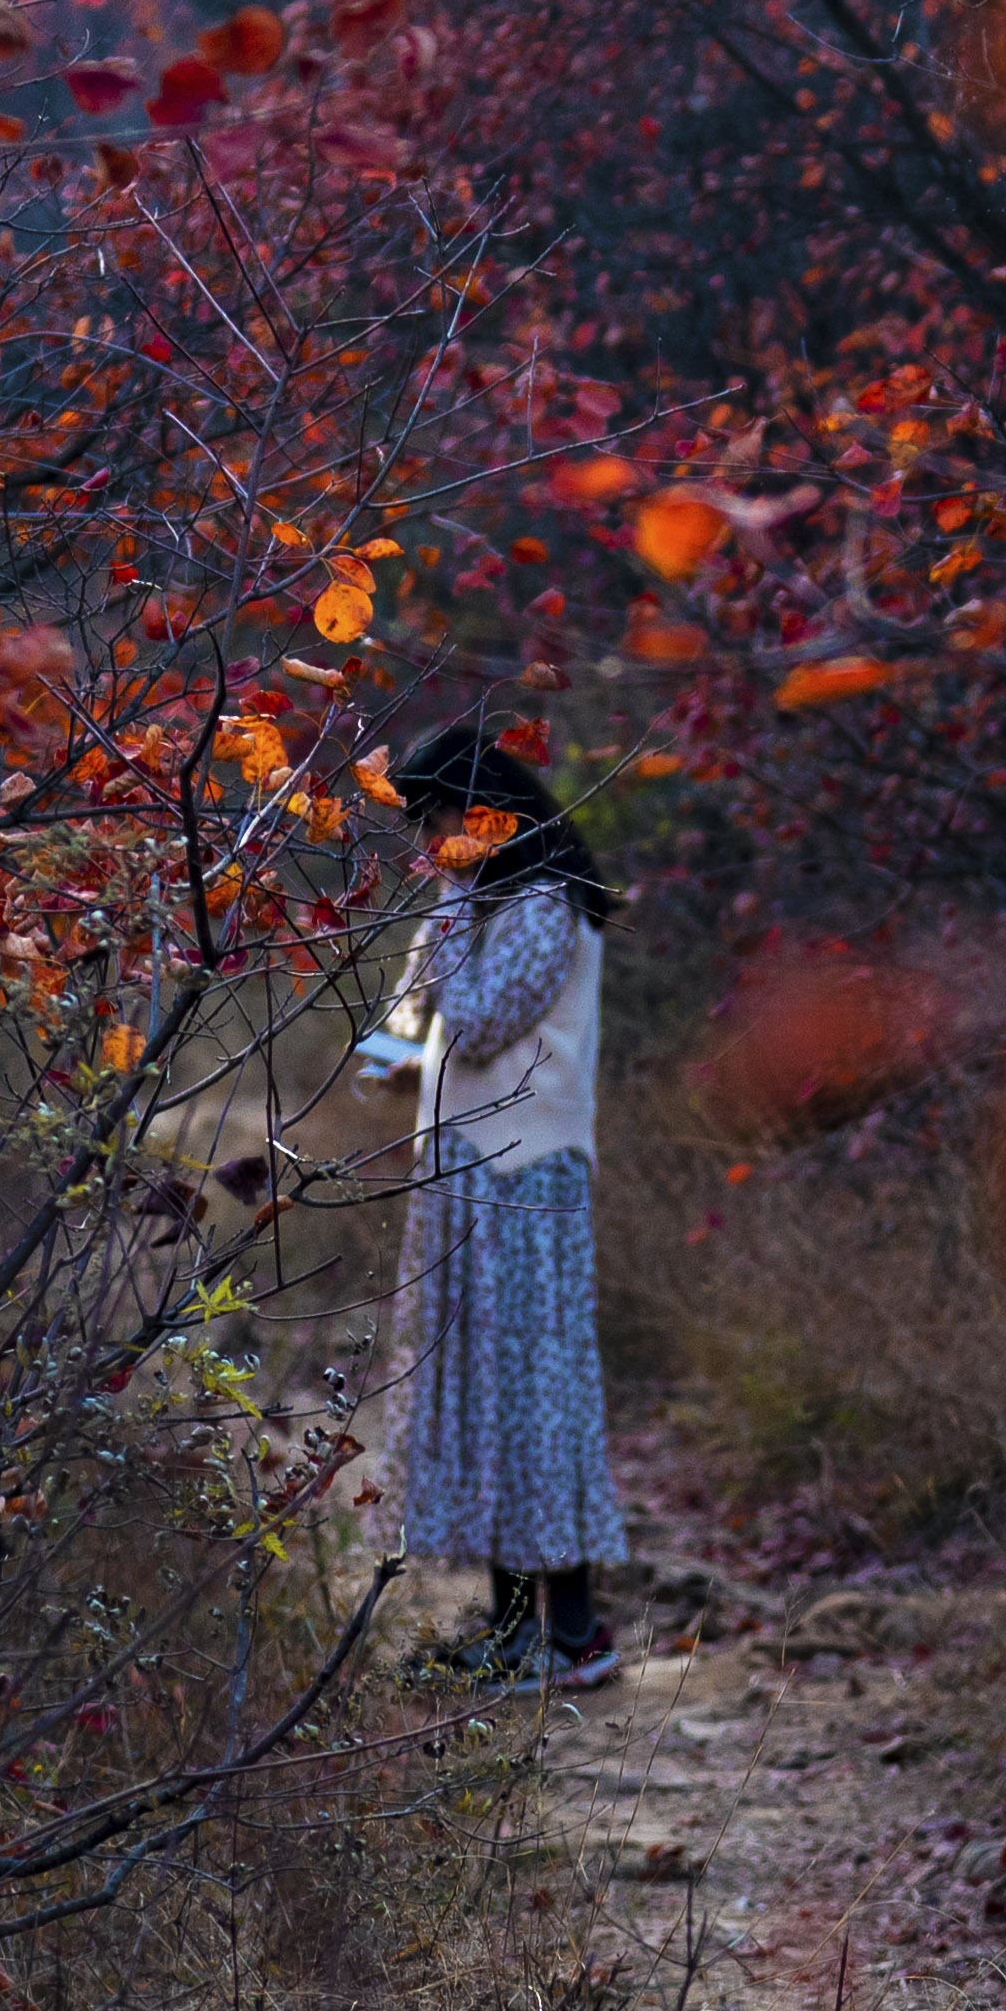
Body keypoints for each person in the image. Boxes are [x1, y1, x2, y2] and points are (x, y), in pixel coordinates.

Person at [373, 721, 627, 1687]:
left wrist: (443, 917)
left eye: (433, 818)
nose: (426, 843)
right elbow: (406, 1032)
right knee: (489, 1394)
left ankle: (571, 1636)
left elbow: (471, 1023)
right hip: (472, 1170)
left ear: (483, 811)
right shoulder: (485, 898)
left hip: (524, 1174)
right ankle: (521, 1631)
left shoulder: (544, 905)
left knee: (532, 1394)